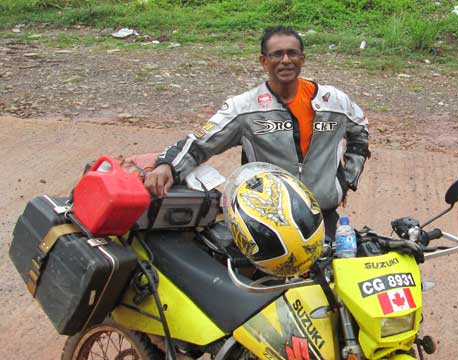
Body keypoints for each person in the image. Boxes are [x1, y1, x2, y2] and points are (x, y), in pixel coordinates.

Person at [145, 25, 370, 239]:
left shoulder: (334, 102)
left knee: (330, 275)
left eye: (292, 53)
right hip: (268, 222)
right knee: (268, 280)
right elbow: (200, 144)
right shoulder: (245, 108)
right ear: (263, 61)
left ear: (302, 58)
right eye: (277, 54)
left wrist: (344, 182)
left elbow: (360, 132)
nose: (285, 60)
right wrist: (168, 165)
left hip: (324, 216)